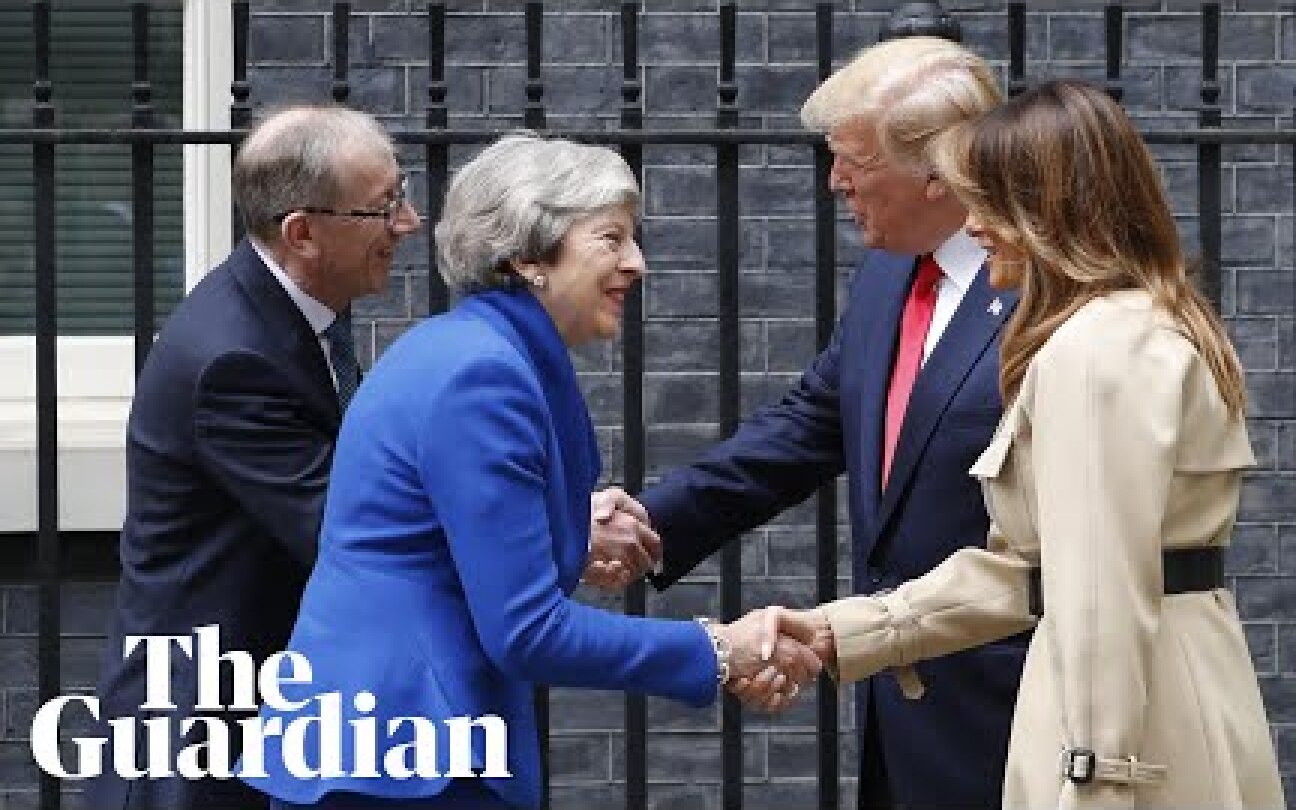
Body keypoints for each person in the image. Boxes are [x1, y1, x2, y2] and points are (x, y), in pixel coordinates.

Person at [240, 133, 821, 810]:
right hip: (405, 759)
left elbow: (444, 543)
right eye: (610, 238)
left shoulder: (473, 349)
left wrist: (572, 524)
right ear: (525, 256)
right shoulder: (483, 375)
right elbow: (527, 630)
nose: (637, 264)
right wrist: (717, 649)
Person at [752, 79, 1287, 810]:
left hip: (1124, 726)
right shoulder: (1141, 325)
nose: (972, 226)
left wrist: (1097, 778)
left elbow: (1101, 596)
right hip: (1172, 697)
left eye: (989, 203)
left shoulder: (1095, 352)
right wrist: (841, 632)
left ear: (1049, 208)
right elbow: (1031, 574)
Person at [590, 35, 1021, 809]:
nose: (835, 182)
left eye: (855, 160)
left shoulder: (1044, 293)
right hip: (898, 706)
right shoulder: (891, 271)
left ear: (939, 170)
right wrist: (650, 520)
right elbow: (807, 428)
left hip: (1011, 706)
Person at [86, 105, 422, 810]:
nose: (409, 222)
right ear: (303, 233)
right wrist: (536, 530)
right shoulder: (234, 359)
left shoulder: (298, 308)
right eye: (382, 207)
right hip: (195, 734)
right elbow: (348, 531)